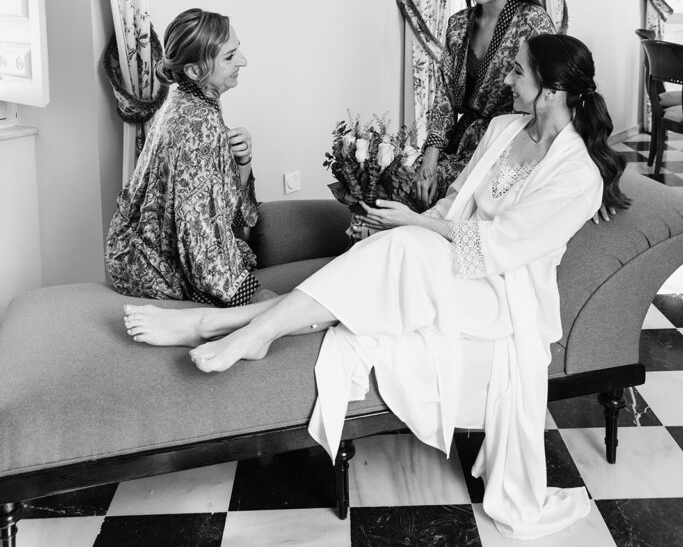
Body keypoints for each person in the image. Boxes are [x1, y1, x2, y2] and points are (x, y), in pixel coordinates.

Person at [122, 33, 629, 539]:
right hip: (446, 262)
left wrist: (416, 226)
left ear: (552, 91)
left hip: (501, 294)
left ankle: (233, 325)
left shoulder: (578, 174)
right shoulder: (503, 127)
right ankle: (236, 326)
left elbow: (503, 247)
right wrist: (407, 222)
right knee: (391, 249)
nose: (507, 79)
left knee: (404, 247)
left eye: (518, 71)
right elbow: (452, 203)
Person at [106, 8, 265, 308]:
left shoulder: (184, 98)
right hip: (160, 271)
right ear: (194, 71)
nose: (242, 61)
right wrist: (248, 296)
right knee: (275, 306)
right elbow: (198, 234)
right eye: (230, 57)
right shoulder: (199, 122)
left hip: (137, 258)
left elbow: (223, 207)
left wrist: (242, 161)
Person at [414, 0, 554, 209]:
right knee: (401, 184)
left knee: (426, 205)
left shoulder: (534, 23)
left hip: (506, 148)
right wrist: (430, 157)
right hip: (458, 143)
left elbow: (557, 95)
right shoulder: (458, 25)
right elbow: (444, 99)